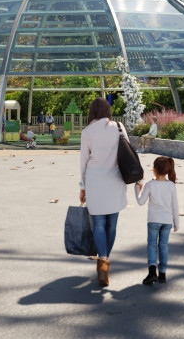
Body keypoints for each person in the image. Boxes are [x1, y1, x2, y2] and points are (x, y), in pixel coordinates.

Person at [79, 97, 135, 287]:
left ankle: (102, 260)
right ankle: (105, 261)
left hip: (95, 182)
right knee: (112, 224)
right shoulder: (119, 127)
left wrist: (82, 187)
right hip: (116, 180)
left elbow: (84, 162)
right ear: (108, 110)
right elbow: (129, 153)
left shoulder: (87, 132)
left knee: (99, 224)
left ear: (92, 112)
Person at [134, 156, 180, 285]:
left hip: (153, 220)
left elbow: (140, 202)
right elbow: (175, 206)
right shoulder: (171, 185)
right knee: (164, 246)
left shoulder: (150, 184)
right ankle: (163, 274)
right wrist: (176, 223)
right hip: (167, 222)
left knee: (152, 245)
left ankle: (152, 272)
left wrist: (137, 188)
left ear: (154, 170)